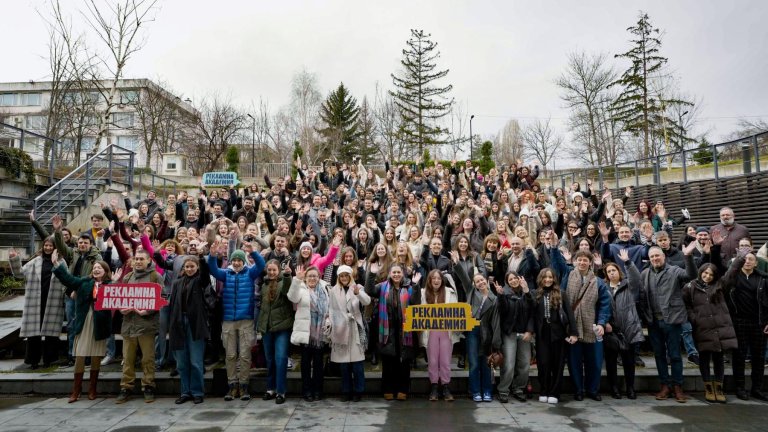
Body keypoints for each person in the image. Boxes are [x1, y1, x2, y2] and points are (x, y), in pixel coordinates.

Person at [51, 252, 113, 403]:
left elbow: (117, 298)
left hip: (99, 324)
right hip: (84, 321)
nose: (97, 269)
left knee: (96, 357)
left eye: (100, 268)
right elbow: (68, 279)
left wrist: (114, 283)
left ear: (106, 272)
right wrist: (56, 265)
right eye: (95, 267)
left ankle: (92, 389)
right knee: (79, 356)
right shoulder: (84, 282)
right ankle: (76, 390)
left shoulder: (110, 285)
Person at [640, 242, 698, 403]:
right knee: (659, 355)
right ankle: (665, 385)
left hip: (672, 320)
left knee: (675, 355)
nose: (655, 258)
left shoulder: (674, 271)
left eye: (657, 255)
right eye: (652, 256)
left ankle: (678, 386)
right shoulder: (645, 274)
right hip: (653, 321)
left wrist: (688, 256)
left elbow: (691, 276)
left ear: (663, 256)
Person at [551, 247, 611, 402]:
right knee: (574, 362)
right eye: (580, 260)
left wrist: (602, 323)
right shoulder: (568, 275)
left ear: (590, 263)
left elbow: (605, 304)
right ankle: (578, 389)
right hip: (573, 327)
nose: (582, 262)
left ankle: (593, 389)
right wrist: (553, 246)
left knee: (595, 362)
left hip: (593, 327)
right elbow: (557, 263)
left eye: (585, 260)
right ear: (575, 261)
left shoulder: (598, 282)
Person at [209, 248, 265, 401]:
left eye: (239, 260)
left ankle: (244, 385)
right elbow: (213, 269)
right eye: (234, 260)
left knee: (245, 355)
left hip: (246, 319)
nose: (236, 262)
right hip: (228, 320)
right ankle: (232, 385)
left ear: (243, 261)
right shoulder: (226, 274)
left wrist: (253, 252)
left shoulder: (250, 273)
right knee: (231, 355)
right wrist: (213, 255)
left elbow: (261, 264)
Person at [365, 264, 421, 401]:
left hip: (405, 330)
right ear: (390, 274)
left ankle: (402, 389)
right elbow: (369, 290)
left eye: (398, 272)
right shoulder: (382, 286)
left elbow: (416, 302)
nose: (396, 274)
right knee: (388, 362)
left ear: (403, 274)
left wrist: (416, 285)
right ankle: (388, 389)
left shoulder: (409, 286)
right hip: (387, 329)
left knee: (404, 363)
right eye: (394, 272)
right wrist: (371, 275)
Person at [114, 249, 163, 404]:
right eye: (136, 259)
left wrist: (147, 310)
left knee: (148, 359)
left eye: (142, 259)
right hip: (129, 324)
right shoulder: (127, 277)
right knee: (127, 359)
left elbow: (163, 297)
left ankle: (148, 386)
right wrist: (121, 308)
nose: (139, 261)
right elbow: (119, 297)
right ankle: (126, 387)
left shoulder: (155, 276)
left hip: (146, 325)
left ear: (149, 261)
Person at [683, 263, 737, 403]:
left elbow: (731, 272)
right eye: (705, 273)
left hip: (718, 327)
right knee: (704, 358)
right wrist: (695, 319)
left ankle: (719, 388)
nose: (707, 276)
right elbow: (687, 306)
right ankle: (708, 387)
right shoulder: (690, 287)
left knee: (719, 358)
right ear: (700, 272)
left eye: (711, 274)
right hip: (702, 328)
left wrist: (740, 258)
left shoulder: (719, 286)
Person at [8, 242, 65, 369]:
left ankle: (49, 360)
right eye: (46, 245)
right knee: (34, 333)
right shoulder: (35, 261)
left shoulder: (61, 262)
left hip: (53, 301)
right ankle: (33, 361)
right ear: (43, 247)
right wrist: (14, 259)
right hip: (35, 301)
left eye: (51, 246)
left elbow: (66, 278)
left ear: (55, 248)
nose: (48, 248)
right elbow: (19, 274)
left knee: (51, 333)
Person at [721, 249, 768, 401]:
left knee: (758, 357)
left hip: (759, 323)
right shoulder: (733, 277)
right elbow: (725, 284)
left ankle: (757, 388)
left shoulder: (763, 278)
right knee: (739, 356)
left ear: (756, 263)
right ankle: (740, 388)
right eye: (745, 259)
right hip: (738, 322)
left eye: (751, 259)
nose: (747, 261)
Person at [453, 253, 497, 402]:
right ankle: (475, 390)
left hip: (487, 333)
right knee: (473, 362)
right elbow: (464, 277)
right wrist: (457, 263)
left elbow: (496, 320)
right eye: (477, 281)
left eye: (482, 280)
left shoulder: (494, 298)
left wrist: (496, 342)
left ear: (486, 281)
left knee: (486, 362)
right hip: (473, 330)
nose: (480, 283)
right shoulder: (471, 292)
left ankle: (487, 391)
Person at [169, 254, 212, 405]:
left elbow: (206, 275)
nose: (189, 269)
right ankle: (185, 392)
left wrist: (201, 258)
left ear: (197, 268)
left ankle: (197, 392)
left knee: (195, 361)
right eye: (187, 267)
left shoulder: (200, 281)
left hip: (195, 324)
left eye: (192, 266)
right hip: (179, 323)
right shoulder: (177, 283)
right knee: (181, 363)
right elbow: (172, 304)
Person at [603, 249, 644, 400]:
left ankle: (630, 388)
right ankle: (614, 388)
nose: (611, 273)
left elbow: (636, 278)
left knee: (629, 362)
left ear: (619, 271)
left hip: (629, 328)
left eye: (614, 270)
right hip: (611, 329)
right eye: (609, 271)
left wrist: (627, 262)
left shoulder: (628, 286)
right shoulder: (604, 288)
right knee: (611, 362)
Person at [532, 267, 578, 404]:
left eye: (550, 277)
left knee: (557, 365)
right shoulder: (535, 294)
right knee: (543, 363)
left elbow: (569, 314)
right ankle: (544, 390)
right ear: (540, 279)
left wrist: (574, 333)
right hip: (542, 334)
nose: (548, 280)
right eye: (545, 277)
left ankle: (554, 392)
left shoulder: (561, 293)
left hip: (558, 333)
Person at [490, 270, 534, 403]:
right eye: (510, 280)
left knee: (525, 363)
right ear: (507, 283)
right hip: (509, 333)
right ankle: (503, 390)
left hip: (525, 333)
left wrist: (530, 331)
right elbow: (502, 311)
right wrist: (501, 296)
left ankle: (519, 388)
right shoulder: (505, 294)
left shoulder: (527, 293)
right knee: (509, 363)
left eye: (515, 278)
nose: (513, 281)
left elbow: (533, 311)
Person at [288, 265, 330, 402]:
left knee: (318, 364)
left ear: (319, 277)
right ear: (305, 278)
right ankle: (306, 391)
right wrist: (296, 280)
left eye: (315, 276)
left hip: (320, 333)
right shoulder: (300, 288)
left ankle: (318, 390)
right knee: (305, 365)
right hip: (306, 332)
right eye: (310, 276)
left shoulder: (325, 288)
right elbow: (292, 298)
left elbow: (330, 307)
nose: (312, 278)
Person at [328, 265, 370, 401]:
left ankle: (359, 391)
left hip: (355, 327)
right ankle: (346, 391)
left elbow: (367, 301)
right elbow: (331, 309)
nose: (344, 278)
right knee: (344, 365)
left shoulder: (357, 287)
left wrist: (358, 293)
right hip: (340, 328)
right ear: (339, 277)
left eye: (346, 275)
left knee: (357, 364)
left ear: (350, 276)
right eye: (342, 276)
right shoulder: (333, 290)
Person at [257, 260, 294, 404]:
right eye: (269, 270)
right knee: (270, 359)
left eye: (274, 270)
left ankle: (281, 391)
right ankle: (270, 388)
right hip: (267, 328)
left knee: (281, 359)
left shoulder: (282, 282)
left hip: (281, 327)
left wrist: (287, 276)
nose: (271, 273)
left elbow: (287, 290)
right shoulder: (264, 285)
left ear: (278, 270)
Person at [420, 269, 459, 402]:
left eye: (438, 278)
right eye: (433, 278)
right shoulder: (423, 293)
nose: (436, 281)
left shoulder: (449, 292)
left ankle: (446, 386)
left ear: (442, 280)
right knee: (432, 360)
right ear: (429, 281)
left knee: (445, 360)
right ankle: (434, 386)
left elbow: (456, 311)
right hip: (430, 331)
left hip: (446, 331)